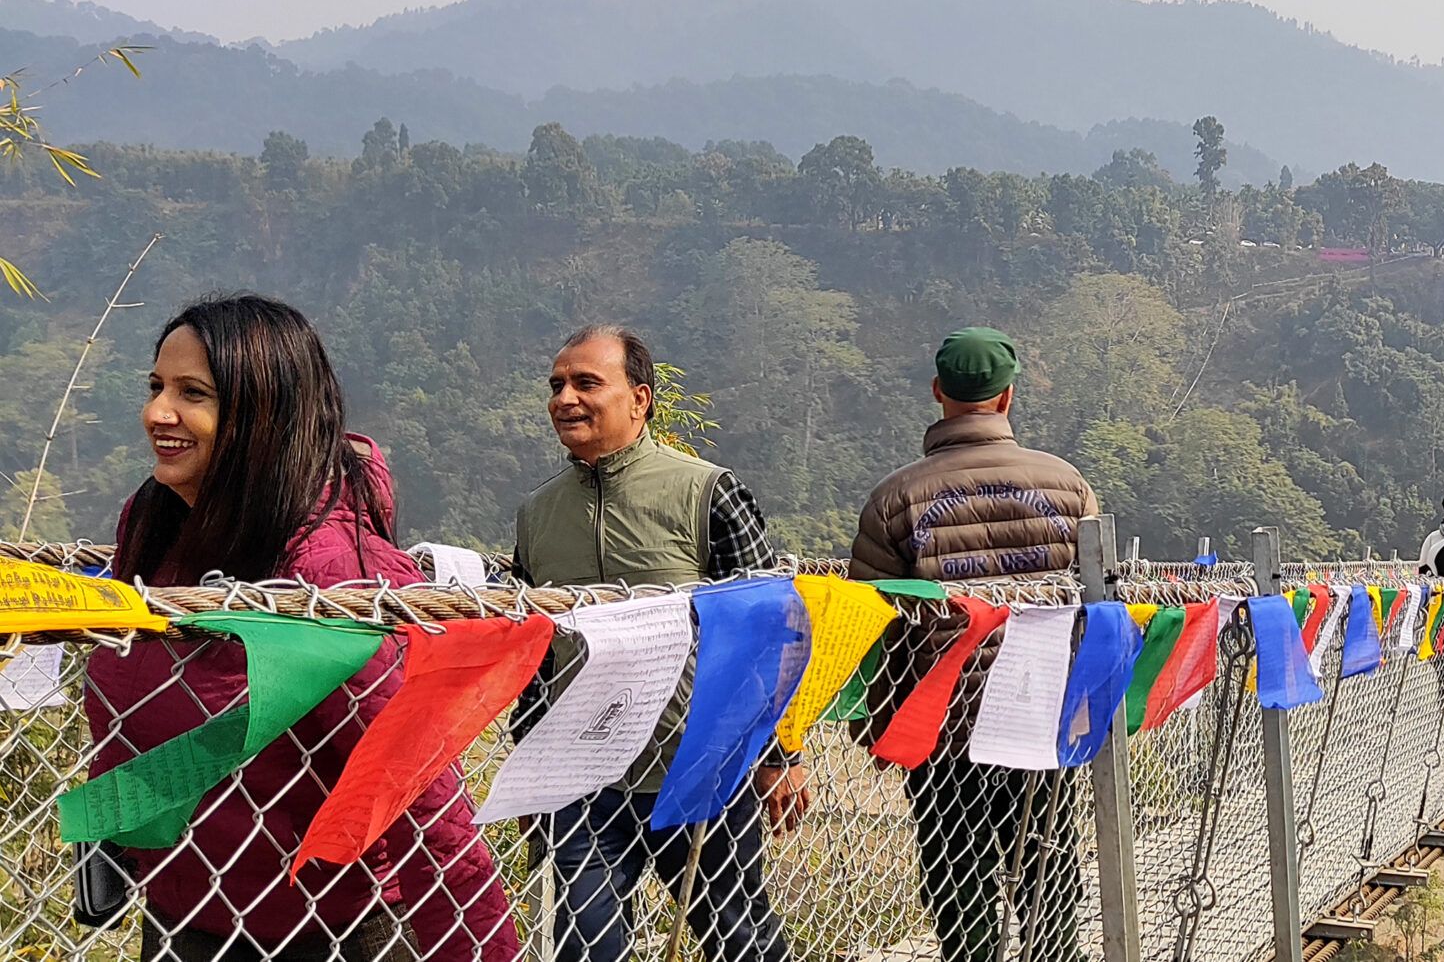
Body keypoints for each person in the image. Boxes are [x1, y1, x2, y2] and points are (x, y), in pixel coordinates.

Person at [85, 294, 519, 962]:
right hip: (182, 918)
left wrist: (482, 949)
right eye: (155, 386)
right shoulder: (154, 525)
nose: (156, 413)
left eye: (192, 393)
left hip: (328, 931)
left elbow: (415, 784)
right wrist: (107, 833)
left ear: (262, 414)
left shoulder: (332, 570)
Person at [511, 326, 801, 962]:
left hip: (701, 768)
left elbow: (764, 632)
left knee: (740, 938)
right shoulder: (537, 514)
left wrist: (781, 753)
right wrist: (529, 773)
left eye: (587, 383)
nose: (565, 398)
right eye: (557, 385)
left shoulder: (707, 492)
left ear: (640, 399)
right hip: (582, 781)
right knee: (584, 946)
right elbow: (533, 651)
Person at [847, 327, 1099, 962]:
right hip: (1042, 713)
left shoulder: (895, 499)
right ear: (1008, 396)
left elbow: (872, 626)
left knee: (957, 875)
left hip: (942, 720)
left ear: (938, 392)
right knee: (1048, 868)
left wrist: (883, 726)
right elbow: (1099, 606)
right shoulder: (1067, 486)